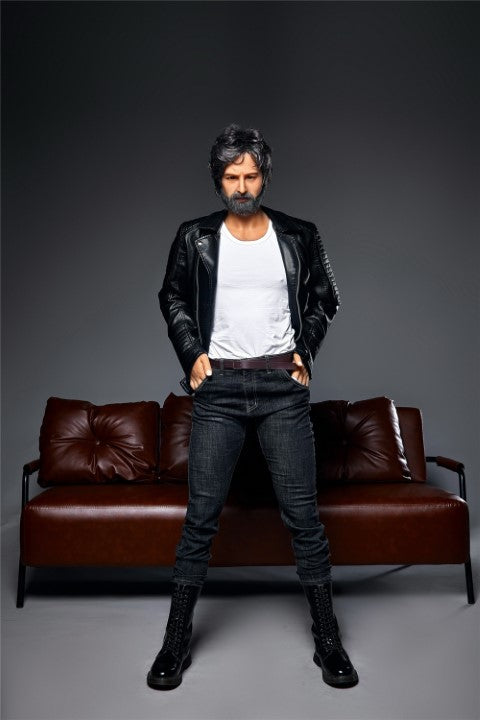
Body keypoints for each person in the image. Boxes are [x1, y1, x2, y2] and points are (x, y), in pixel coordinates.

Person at [147, 124, 358, 690]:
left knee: (304, 520)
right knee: (200, 520)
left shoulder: (299, 234)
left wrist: (306, 350)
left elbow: (326, 297)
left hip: (281, 390)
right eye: (231, 177)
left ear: (265, 176)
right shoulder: (194, 236)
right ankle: (174, 642)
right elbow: (171, 296)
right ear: (217, 180)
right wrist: (191, 354)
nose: (241, 187)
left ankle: (329, 641)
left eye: (251, 175)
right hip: (218, 392)